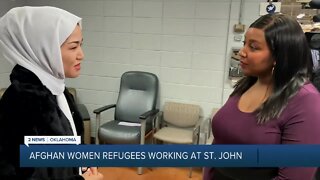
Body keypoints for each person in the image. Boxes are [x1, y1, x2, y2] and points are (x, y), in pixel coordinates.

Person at [204, 13, 320, 180]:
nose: (242, 52)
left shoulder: (307, 102)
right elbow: (219, 142)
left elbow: (293, 177)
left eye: (254, 47)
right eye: (244, 44)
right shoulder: (246, 85)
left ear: (279, 56)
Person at [0, 6, 103, 180]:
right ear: (45, 50)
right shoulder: (23, 104)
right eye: (73, 47)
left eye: (81, 45)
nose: (81, 55)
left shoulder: (57, 91)